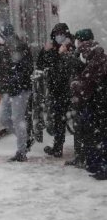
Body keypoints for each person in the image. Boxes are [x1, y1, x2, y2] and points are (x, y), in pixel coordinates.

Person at [0, 23, 34, 162]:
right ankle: (26, 139)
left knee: (17, 119)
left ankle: (21, 151)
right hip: (9, 90)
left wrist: (15, 81)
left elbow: (26, 68)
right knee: (4, 118)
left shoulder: (18, 46)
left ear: (4, 34)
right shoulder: (5, 48)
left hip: (19, 90)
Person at [70, 29, 107, 180]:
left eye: (78, 41)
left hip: (98, 101)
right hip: (97, 100)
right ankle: (96, 164)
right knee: (95, 134)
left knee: (98, 135)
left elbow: (87, 81)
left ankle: (101, 166)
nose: (77, 44)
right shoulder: (94, 55)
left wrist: (75, 84)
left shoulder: (93, 56)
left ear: (83, 42)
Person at [36, 23, 74, 157]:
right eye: (56, 34)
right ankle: (58, 147)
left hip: (69, 89)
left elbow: (68, 67)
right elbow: (41, 64)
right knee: (58, 119)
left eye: (61, 34)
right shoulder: (52, 48)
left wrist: (64, 52)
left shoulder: (71, 47)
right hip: (56, 90)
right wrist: (44, 51)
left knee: (71, 119)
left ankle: (79, 150)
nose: (59, 37)